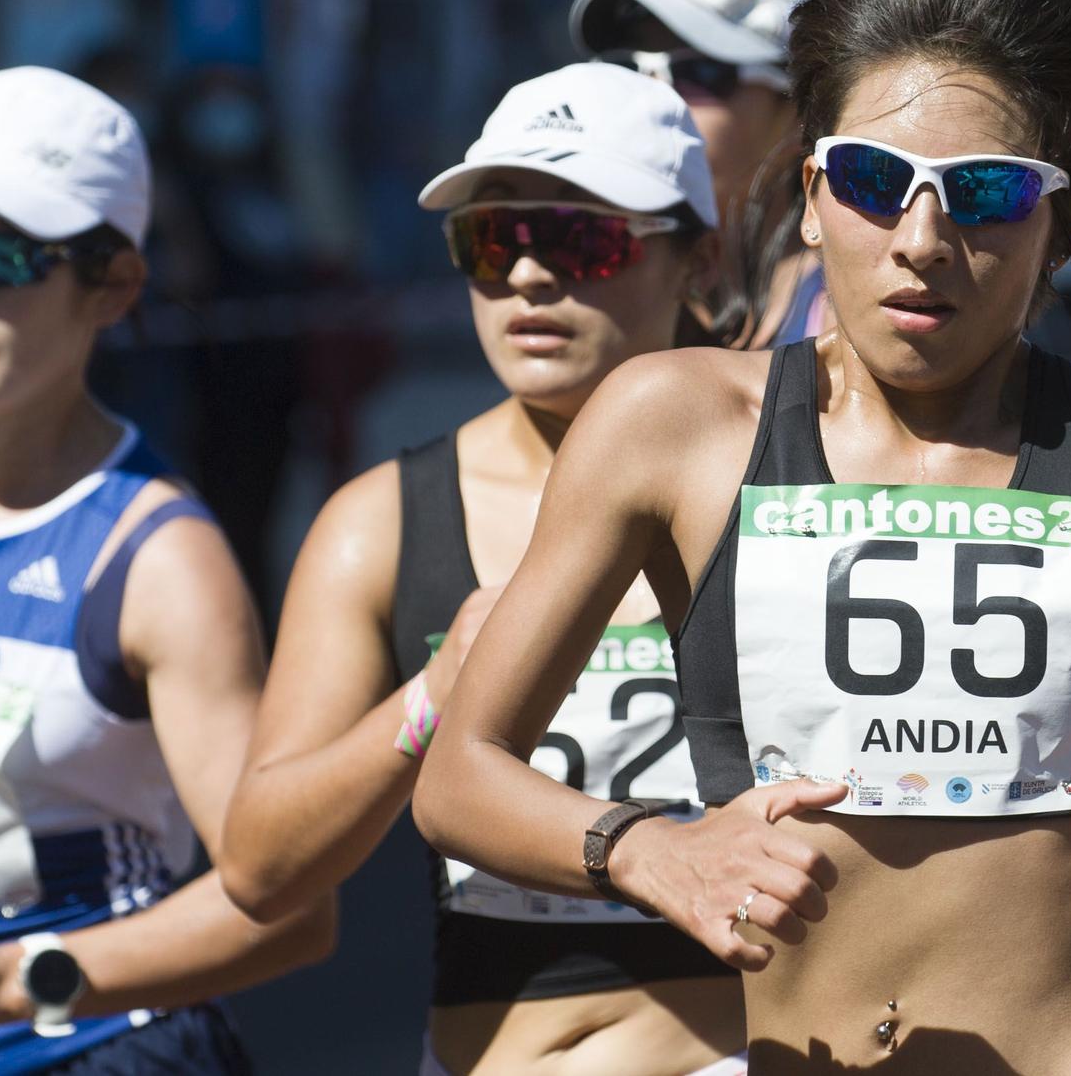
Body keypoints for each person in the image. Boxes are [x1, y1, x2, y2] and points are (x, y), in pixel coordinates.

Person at [414, 0, 1071, 1075]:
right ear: (808, 195)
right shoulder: (675, 425)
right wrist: (651, 850)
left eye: (987, 191)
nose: (919, 237)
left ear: (1062, 219)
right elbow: (459, 775)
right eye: (870, 178)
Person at [219, 64, 746, 1076]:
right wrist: (428, 702)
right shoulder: (380, 522)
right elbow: (259, 866)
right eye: (490, 241)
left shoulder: (781, 487)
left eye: (582, 240)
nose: (527, 278)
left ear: (699, 258)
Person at [0, 66, 334, 1073]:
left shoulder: (158, 556)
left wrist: (12, 982)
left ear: (114, 287)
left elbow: (288, 907)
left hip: (94, 1050)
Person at [571, 0, 825, 347]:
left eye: (698, 74)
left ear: (804, 109)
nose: (654, 100)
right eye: (632, 73)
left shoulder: (851, 313)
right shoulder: (603, 295)